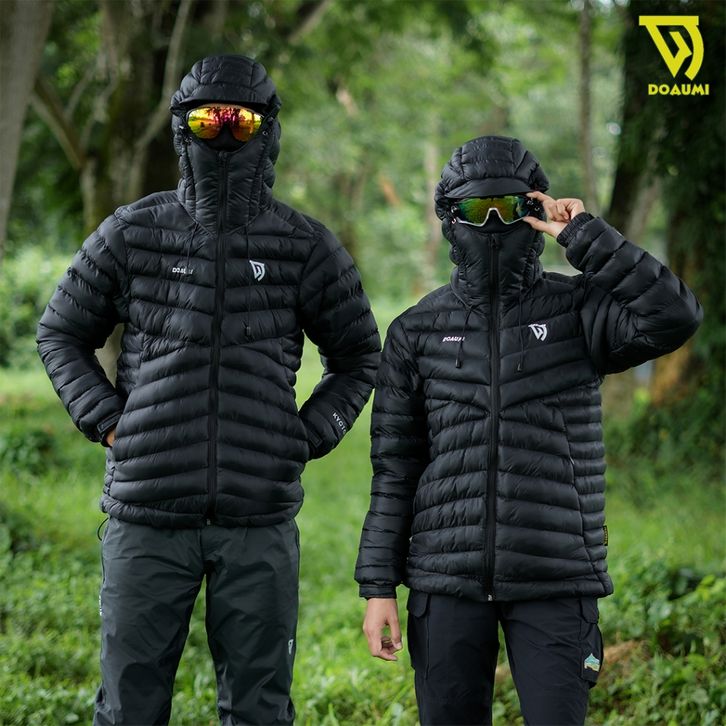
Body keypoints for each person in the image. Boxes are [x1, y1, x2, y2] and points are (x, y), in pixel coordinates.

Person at [35, 53, 381, 725]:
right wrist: (107, 420)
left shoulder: (304, 244)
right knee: (129, 708)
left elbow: (359, 354)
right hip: (146, 513)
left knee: (259, 709)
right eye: (207, 119)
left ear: (267, 129)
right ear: (181, 127)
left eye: (240, 121)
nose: (223, 132)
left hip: (259, 519)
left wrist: (306, 436)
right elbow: (60, 333)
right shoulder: (131, 231)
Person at [354, 134, 703, 725]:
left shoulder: (579, 310)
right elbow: (395, 467)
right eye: (475, 208)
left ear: (535, 209)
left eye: (510, 207)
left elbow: (674, 315)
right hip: (445, 580)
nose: (493, 223)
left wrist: (584, 235)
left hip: (556, 576)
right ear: (450, 218)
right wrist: (378, 586)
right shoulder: (415, 330)